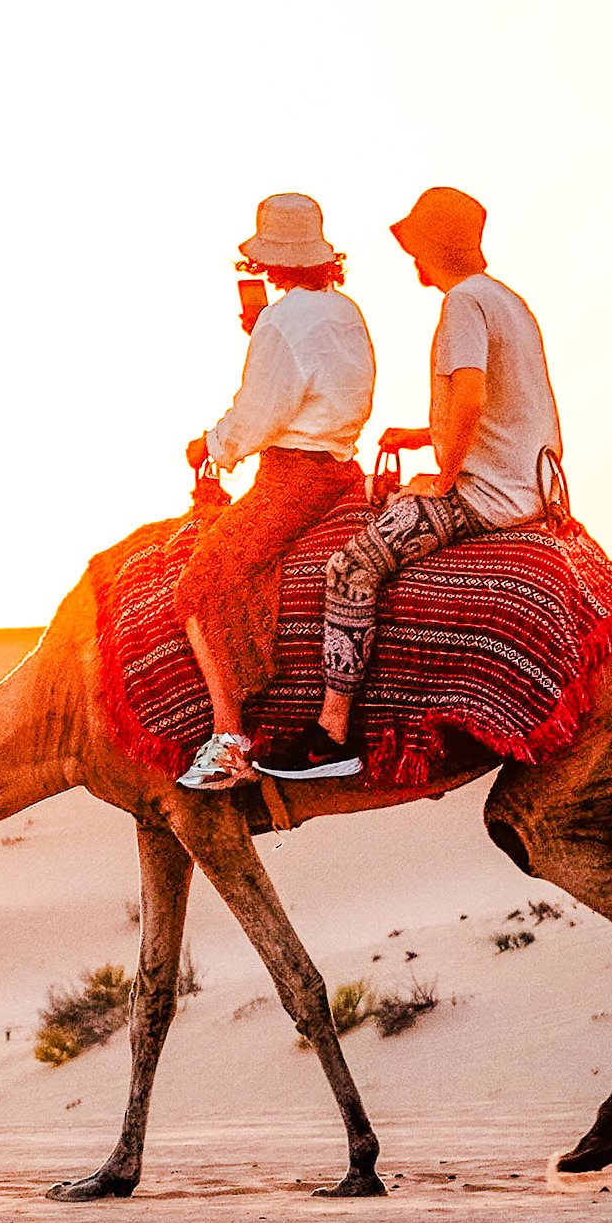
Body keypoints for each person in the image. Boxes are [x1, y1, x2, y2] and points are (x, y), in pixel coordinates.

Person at [315, 184, 567, 753]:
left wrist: (444, 477)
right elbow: (507, 406)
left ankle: (330, 730)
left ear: (429, 249)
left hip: (486, 496)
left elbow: (473, 399)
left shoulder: (462, 305)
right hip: (534, 487)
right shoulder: (506, 300)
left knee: (350, 566)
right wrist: (426, 435)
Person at [173, 193, 377, 791]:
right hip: (341, 469)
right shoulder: (346, 311)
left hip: (293, 478)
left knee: (196, 584)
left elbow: (258, 414)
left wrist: (210, 446)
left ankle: (228, 739)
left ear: (270, 260)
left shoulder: (282, 321)